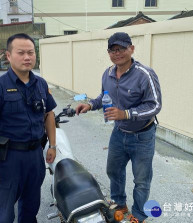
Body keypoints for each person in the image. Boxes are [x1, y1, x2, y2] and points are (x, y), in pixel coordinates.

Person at [75, 32, 162, 223]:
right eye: (113, 50)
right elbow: (104, 97)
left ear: (131, 49)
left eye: (122, 48)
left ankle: (139, 216)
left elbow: (155, 105)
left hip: (143, 135)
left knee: (141, 180)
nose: (117, 53)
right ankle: (119, 204)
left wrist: (126, 114)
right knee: (113, 170)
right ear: (109, 53)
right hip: (119, 133)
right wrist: (90, 104)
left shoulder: (145, 74)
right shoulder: (108, 74)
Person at [0, 33, 57, 223]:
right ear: (8, 56)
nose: (27, 57)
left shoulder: (41, 84)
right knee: (4, 214)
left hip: (35, 157)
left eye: (30, 52)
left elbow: (49, 115)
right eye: (21, 53)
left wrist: (52, 146)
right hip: (9, 160)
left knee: (30, 209)